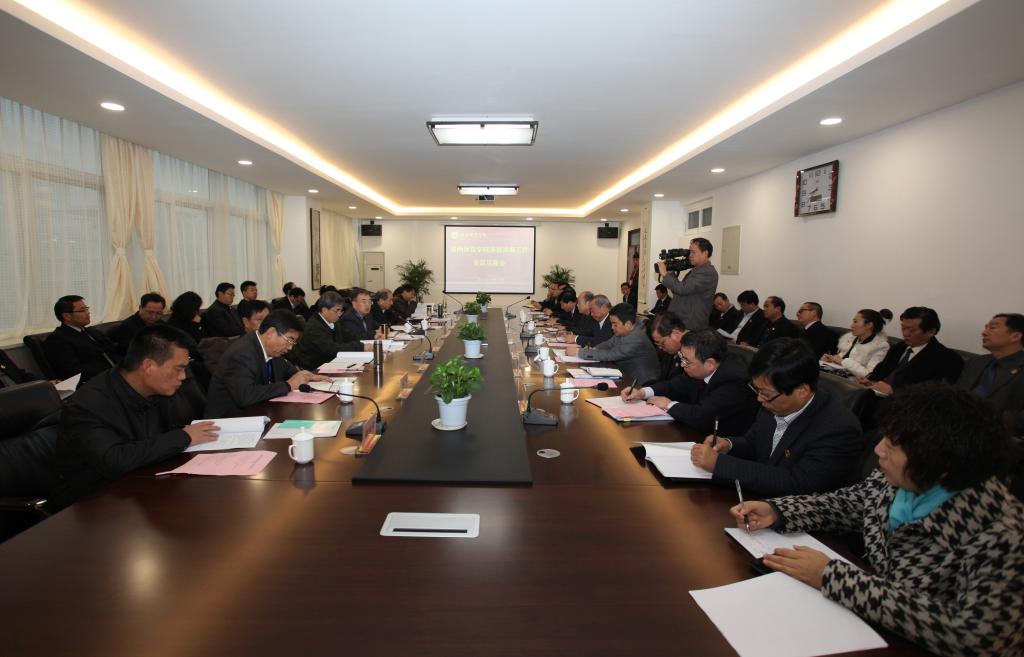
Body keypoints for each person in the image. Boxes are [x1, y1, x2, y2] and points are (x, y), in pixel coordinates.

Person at [733, 383, 1023, 657]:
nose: (878, 450)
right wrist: (779, 511)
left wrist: (834, 577)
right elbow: (850, 504)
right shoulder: (904, 478)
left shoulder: (1005, 535)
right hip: (870, 628)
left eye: (892, 445)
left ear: (940, 463)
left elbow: (974, 638)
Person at [52, 325, 220, 508]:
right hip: (98, 503)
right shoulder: (87, 405)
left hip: (147, 483)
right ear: (148, 366)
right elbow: (116, 460)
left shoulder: (159, 389)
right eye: (178, 369)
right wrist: (184, 437)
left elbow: (173, 428)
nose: (183, 376)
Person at [690, 338, 862, 496]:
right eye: (757, 390)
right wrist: (728, 445)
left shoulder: (838, 429)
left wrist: (720, 464)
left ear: (802, 391)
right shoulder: (773, 403)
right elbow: (754, 443)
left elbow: (797, 484)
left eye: (766, 394)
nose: (760, 399)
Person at [621, 329, 758, 435]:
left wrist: (669, 404)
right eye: (681, 357)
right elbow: (673, 385)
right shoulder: (698, 368)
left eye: (686, 360)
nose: (682, 364)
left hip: (724, 445)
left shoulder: (734, 381)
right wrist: (642, 392)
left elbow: (701, 416)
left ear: (710, 363)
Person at [204, 310, 330, 418]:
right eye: (289, 340)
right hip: (229, 421)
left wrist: (306, 376)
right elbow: (245, 396)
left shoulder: (271, 350)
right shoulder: (242, 353)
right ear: (270, 333)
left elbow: (289, 371)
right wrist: (288, 385)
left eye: (293, 342)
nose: (290, 347)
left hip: (259, 412)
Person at [861, 306, 964, 396]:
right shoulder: (898, 348)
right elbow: (880, 372)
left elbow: (936, 397)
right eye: (903, 328)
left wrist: (894, 391)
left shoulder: (948, 359)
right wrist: (870, 381)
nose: (905, 334)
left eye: (911, 330)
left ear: (931, 331)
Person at [958, 313, 1024, 434]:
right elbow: (957, 393)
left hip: (999, 434)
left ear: (1015, 336)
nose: (984, 332)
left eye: (993, 328)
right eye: (986, 327)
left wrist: (986, 417)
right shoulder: (975, 362)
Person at [566, 303, 660, 385]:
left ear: (628, 324)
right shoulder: (627, 329)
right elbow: (609, 343)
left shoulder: (636, 338)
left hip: (640, 383)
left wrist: (580, 352)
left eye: (615, 324)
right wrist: (593, 349)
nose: (612, 327)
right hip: (625, 375)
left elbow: (611, 354)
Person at [42, 295, 120, 381]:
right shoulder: (57, 340)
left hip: (116, 374)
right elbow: (74, 371)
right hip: (96, 381)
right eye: (82, 310)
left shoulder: (92, 331)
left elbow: (112, 351)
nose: (88, 313)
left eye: (87, 309)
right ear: (67, 316)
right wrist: (112, 371)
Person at [291, 291, 367, 370]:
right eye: (337, 310)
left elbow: (348, 336)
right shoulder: (314, 327)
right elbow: (332, 349)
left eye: (341, 310)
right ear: (324, 310)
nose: (339, 314)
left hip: (331, 362)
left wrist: (368, 341)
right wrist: (361, 347)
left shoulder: (333, 321)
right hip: (315, 368)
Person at [657, 237, 718, 331]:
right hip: (681, 322)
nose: (690, 255)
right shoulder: (696, 270)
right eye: (690, 252)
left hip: (690, 324)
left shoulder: (708, 272)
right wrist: (670, 274)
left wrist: (665, 274)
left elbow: (683, 289)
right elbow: (679, 291)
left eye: (693, 252)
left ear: (705, 253)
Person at [821, 308, 892, 377]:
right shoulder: (850, 338)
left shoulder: (881, 346)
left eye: (855, 322)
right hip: (838, 376)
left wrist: (843, 361)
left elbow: (869, 374)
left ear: (869, 325)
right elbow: (840, 360)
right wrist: (830, 360)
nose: (852, 325)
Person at [111, 292, 166, 357]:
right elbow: (132, 354)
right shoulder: (126, 327)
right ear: (140, 308)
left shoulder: (161, 324)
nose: (154, 317)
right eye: (150, 312)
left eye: (158, 313)